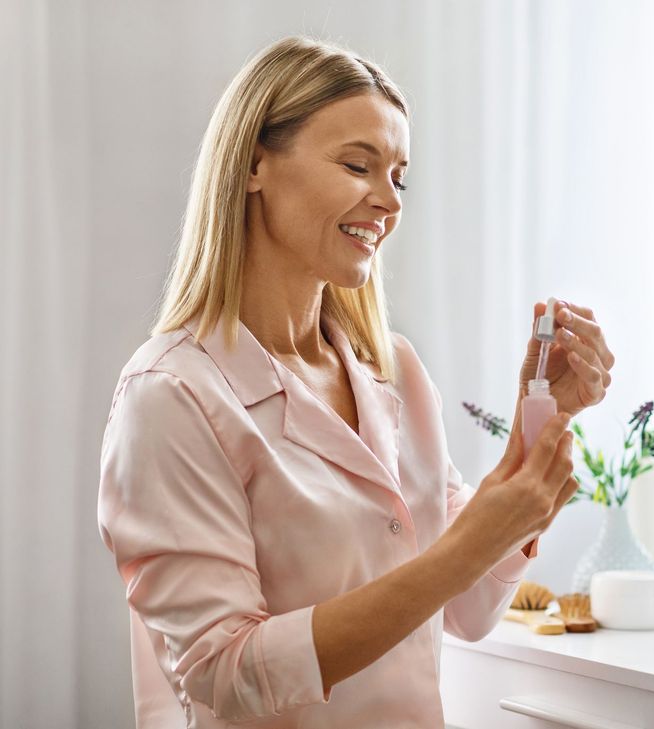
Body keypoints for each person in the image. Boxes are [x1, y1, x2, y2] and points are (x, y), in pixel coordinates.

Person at [98, 35, 614, 729]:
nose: (388, 202)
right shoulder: (172, 396)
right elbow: (223, 674)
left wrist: (539, 420)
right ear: (254, 164)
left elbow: (469, 607)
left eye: (399, 177)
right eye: (357, 164)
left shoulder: (395, 373)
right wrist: (467, 546)